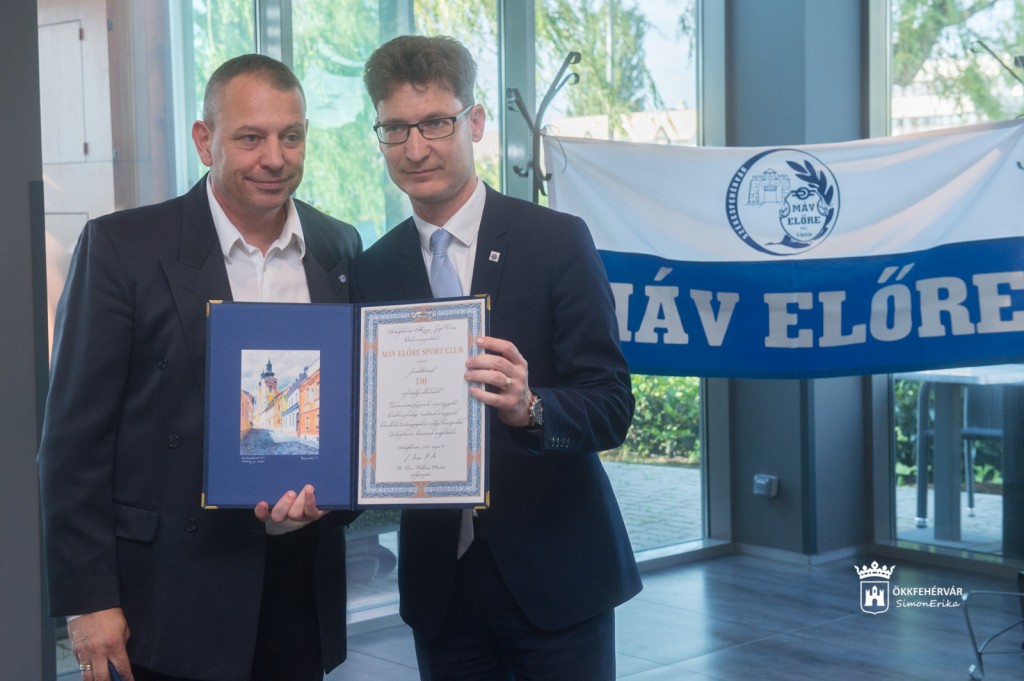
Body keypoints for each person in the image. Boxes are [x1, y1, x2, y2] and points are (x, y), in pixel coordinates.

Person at [37, 54, 361, 681]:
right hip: (167, 595)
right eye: (251, 138)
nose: (274, 158)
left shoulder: (336, 244)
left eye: (291, 136)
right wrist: (88, 600)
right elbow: (73, 443)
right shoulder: (123, 248)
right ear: (204, 140)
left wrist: (338, 496)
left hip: (299, 589)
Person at [354, 35, 642, 680]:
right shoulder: (373, 269)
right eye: (395, 128)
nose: (415, 148)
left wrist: (531, 407)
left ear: (475, 122)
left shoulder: (555, 241)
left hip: (558, 578)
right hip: (441, 588)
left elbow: (612, 406)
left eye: (436, 122)